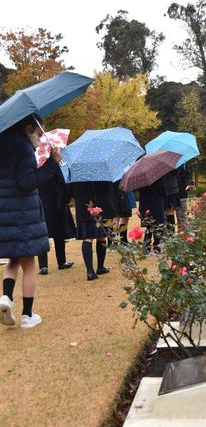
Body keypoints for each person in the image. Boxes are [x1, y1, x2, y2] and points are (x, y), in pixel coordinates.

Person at [0, 114, 61, 329]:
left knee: (13, 260)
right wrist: (51, 165)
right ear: (28, 128)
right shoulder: (23, 148)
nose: (39, 137)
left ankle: (6, 297)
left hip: (5, 213)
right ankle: (27, 315)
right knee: (29, 264)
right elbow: (26, 182)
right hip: (23, 213)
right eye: (38, 132)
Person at [72, 181, 119, 280]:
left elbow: (70, 191)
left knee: (87, 238)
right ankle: (100, 267)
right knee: (101, 237)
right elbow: (108, 189)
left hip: (83, 206)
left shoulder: (76, 169)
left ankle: (90, 272)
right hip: (101, 206)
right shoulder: (101, 169)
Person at [38, 166, 75, 275]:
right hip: (57, 202)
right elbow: (63, 183)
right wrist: (66, 199)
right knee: (59, 234)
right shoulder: (55, 166)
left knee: (42, 234)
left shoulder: (37, 164)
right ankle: (61, 261)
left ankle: (43, 265)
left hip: (41, 203)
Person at [139, 177, 167, 254]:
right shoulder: (158, 177)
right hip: (156, 203)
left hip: (145, 203)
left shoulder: (141, 178)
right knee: (158, 225)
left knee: (148, 225)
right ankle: (156, 246)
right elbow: (163, 191)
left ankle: (146, 247)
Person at [175, 164, 195, 228]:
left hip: (181, 193)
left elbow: (187, 176)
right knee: (168, 218)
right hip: (166, 194)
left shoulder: (182, 161)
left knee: (182, 217)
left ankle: (182, 235)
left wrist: (189, 184)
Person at [162, 169, 181, 234]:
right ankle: (167, 235)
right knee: (165, 213)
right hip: (161, 189)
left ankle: (171, 235)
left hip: (171, 189)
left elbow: (177, 172)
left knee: (170, 212)